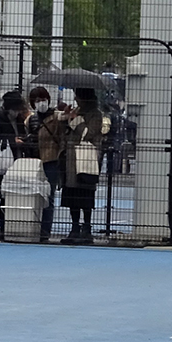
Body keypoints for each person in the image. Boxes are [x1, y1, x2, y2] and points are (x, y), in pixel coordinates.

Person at [61, 87, 104, 245]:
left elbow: (88, 134)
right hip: (71, 160)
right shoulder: (77, 111)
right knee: (72, 195)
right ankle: (74, 228)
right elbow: (66, 132)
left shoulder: (96, 114)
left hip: (86, 159)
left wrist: (76, 120)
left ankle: (86, 229)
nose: (76, 100)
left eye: (77, 97)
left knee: (86, 194)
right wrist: (66, 117)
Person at [0, 90, 28, 236]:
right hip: (4, 165)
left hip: (17, 162)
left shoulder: (19, 121)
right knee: (4, 197)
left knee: (14, 196)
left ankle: (12, 227)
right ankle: (3, 228)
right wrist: (12, 142)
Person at [25, 86, 63, 242]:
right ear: (32, 103)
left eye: (44, 99)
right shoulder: (30, 120)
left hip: (51, 160)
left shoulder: (56, 117)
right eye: (37, 100)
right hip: (34, 162)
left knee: (49, 197)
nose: (41, 102)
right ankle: (32, 227)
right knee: (32, 195)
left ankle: (45, 232)